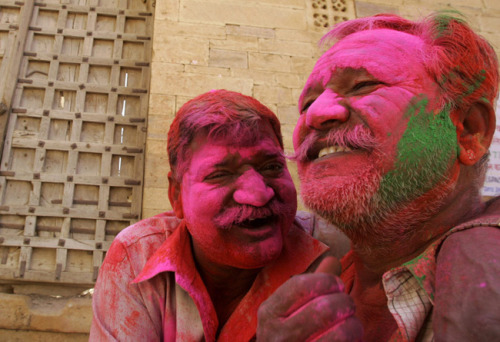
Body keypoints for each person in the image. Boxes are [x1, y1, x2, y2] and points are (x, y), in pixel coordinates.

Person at [257, 12, 500, 341]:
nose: (315, 114)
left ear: (469, 130)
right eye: (308, 103)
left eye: (363, 85)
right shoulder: (302, 281)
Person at [90, 89, 359, 341]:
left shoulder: (342, 249)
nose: (259, 194)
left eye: (272, 166)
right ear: (177, 196)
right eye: (220, 174)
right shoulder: (136, 256)